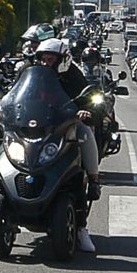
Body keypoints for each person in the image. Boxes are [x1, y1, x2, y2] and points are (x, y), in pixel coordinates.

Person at [35, 37, 102, 252]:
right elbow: (17, 94)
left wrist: (87, 111)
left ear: (62, 59)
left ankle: (92, 181)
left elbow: (91, 99)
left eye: (50, 59)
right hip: (38, 127)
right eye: (43, 59)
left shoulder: (74, 76)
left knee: (85, 134)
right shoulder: (34, 74)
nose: (46, 63)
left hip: (66, 127)